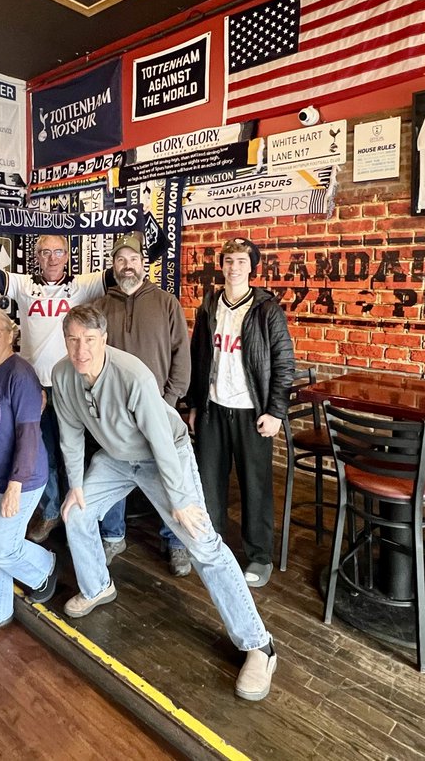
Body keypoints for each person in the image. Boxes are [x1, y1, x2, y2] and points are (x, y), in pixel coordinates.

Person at [52, 305, 277, 701]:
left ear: (104, 340)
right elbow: (70, 434)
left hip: (163, 456)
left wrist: (179, 499)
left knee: (200, 540)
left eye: (89, 340)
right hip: (117, 459)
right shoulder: (62, 374)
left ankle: (259, 645)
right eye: (72, 340)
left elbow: (161, 440)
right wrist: (76, 485)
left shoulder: (132, 375)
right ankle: (97, 586)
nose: (80, 349)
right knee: (76, 512)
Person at [0, 200, 109, 543]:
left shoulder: (83, 285)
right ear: (37, 257)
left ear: (67, 255)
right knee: (43, 452)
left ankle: (80, 514)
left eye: (58, 252)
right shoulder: (23, 284)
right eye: (45, 252)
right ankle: (51, 510)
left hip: (73, 384)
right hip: (36, 386)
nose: (52, 258)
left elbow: (124, 272)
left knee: (76, 451)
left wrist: (139, 221)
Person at [187, 238, 295, 588]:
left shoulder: (266, 309)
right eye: (229, 261)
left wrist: (275, 411)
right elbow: (198, 357)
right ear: (222, 265)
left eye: (241, 262)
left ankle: (259, 555)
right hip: (213, 409)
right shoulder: (209, 305)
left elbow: (284, 363)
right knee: (209, 484)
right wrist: (194, 404)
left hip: (251, 412)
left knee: (255, 487)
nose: (234, 267)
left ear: (252, 267)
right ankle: (211, 546)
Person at [93, 233, 193, 577]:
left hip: (160, 408)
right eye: (121, 260)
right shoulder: (100, 307)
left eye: (133, 259)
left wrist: (169, 401)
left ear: (143, 264)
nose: (127, 266)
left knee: (169, 474)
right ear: (113, 265)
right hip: (115, 413)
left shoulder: (166, 303)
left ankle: (176, 540)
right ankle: (112, 535)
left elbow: (181, 354)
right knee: (112, 471)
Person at [0, 305, 57, 643]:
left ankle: (45, 568)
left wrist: (15, 485)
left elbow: (29, 433)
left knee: (1, 548)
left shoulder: (20, 374)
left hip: (20, 478)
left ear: (10, 336)